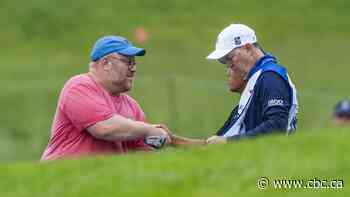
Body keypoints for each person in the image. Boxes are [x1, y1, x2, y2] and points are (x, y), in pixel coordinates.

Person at [41, 36, 171, 160]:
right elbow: (104, 128)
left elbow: (140, 157)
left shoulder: (133, 106)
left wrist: (158, 140)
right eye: (128, 62)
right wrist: (149, 130)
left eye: (134, 63)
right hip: (62, 179)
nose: (134, 68)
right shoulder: (79, 86)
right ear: (105, 63)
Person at [205, 24, 299, 144]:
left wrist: (228, 142)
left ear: (248, 48)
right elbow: (212, 143)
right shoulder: (257, 79)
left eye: (229, 57)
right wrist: (174, 141)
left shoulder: (270, 77)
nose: (228, 65)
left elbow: (277, 126)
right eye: (223, 61)